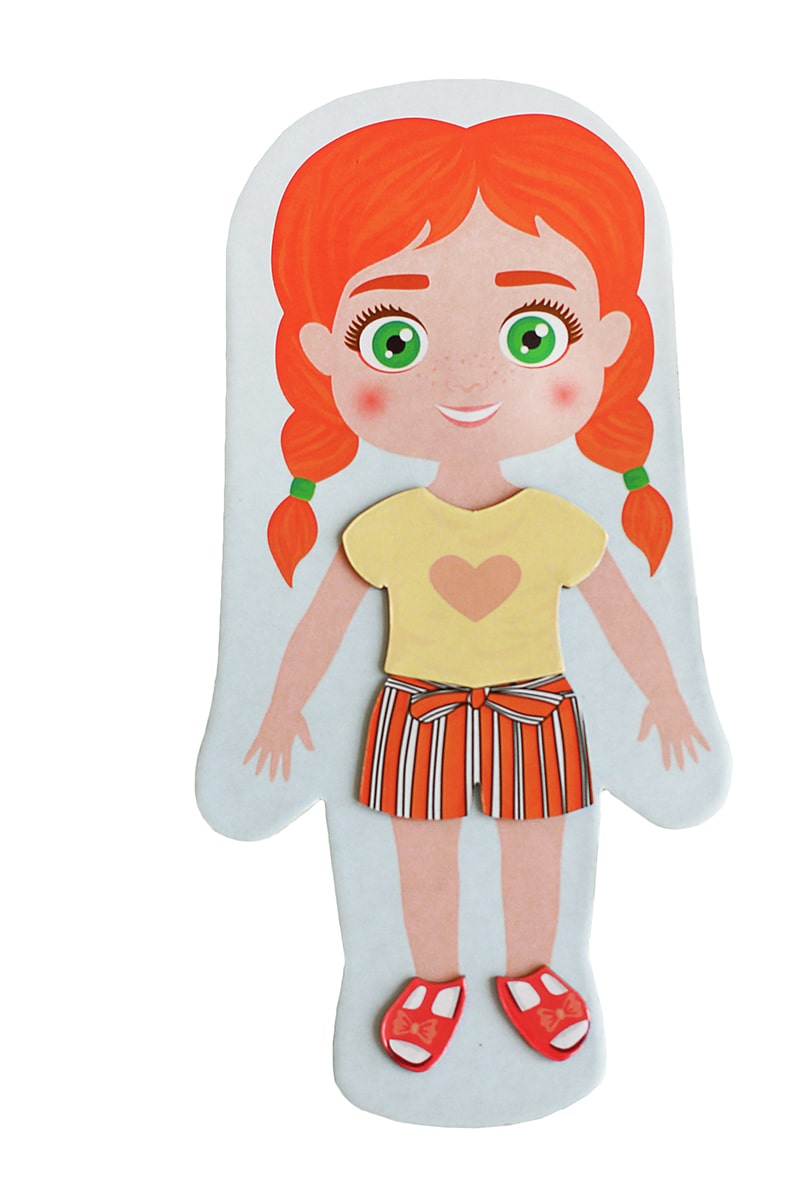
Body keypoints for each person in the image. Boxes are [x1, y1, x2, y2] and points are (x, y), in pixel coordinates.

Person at [244, 115, 708, 1071]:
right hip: (418, 706)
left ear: (609, 343)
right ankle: (432, 979)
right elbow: (327, 618)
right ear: (325, 351)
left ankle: (537, 971)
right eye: (395, 338)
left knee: (538, 843)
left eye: (534, 333)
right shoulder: (386, 526)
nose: (467, 378)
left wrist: (670, 698)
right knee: (424, 846)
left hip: (534, 703)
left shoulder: (556, 523)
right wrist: (282, 705)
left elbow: (622, 613)